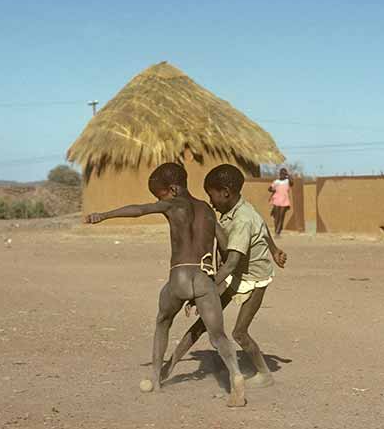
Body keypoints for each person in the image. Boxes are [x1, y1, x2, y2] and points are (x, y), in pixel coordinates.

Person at [84, 162, 247, 407]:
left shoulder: (172, 204)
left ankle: (156, 379)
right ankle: (235, 375)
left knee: (163, 320)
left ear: (172, 189)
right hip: (204, 278)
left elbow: (139, 210)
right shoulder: (208, 210)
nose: (158, 200)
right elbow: (224, 247)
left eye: (158, 196)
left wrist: (104, 215)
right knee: (218, 335)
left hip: (180, 276)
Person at [161, 164, 287, 388]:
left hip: (255, 279)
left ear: (226, 193)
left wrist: (203, 289)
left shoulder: (242, 221)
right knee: (204, 323)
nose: (210, 202)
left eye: (212, 196)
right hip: (234, 274)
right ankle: (169, 365)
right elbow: (262, 226)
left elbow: (230, 264)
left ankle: (264, 373)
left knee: (240, 332)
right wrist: (274, 248)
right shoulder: (236, 210)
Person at [268, 167, 292, 236]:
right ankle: (276, 230)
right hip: (276, 200)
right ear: (279, 174)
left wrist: (288, 175)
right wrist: (273, 190)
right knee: (276, 216)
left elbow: (292, 183)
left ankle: (278, 231)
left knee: (281, 216)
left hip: (284, 201)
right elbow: (269, 188)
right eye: (281, 173)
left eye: (284, 174)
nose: (282, 175)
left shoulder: (287, 181)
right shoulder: (276, 182)